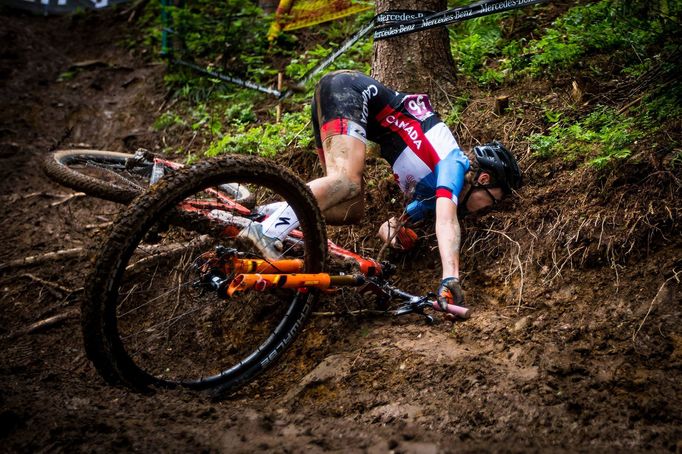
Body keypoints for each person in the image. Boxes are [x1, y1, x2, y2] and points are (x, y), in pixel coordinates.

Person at [239, 70, 522, 310]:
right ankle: (267, 232)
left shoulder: (434, 194)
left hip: (345, 103)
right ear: (484, 180)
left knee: (350, 208)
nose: (491, 207)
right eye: (494, 200)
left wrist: (394, 233)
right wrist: (450, 277)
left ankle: (266, 214)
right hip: (350, 91)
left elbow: (392, 224)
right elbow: (446, 220)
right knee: (345, 181)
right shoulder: (454, 162)